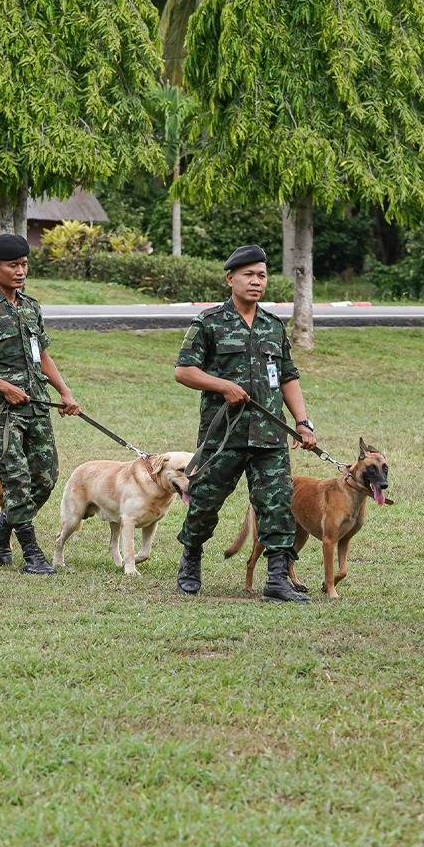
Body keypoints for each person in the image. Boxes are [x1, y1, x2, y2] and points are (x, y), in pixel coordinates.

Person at [174, 244, 316, 602]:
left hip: (269, 435)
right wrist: (222, 385)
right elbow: (184, 371)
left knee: (277, 504)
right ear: (230, 279)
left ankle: (277, 579)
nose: (256, 282)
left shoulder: (272, 326)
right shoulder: (208, 323)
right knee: (205, 501)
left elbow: (287, 376)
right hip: (223, 435)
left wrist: (302, 422)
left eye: (262, 275)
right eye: (249, 275)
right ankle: (190, 560)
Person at [0, 233, 81, 575]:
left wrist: (64, 392)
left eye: (24, 264)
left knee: (46, 477)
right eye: (13, 265)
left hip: (38, 405)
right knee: (16, 478)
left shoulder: (30, 306)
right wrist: (3, 386)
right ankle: (32, 554)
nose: (21, 271)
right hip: (5, 411)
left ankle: (2, 523)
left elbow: (42, 356)